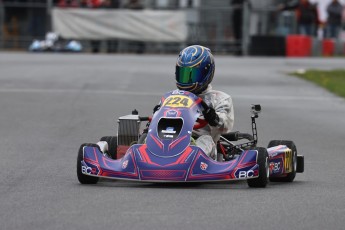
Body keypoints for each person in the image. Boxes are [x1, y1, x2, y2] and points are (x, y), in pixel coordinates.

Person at [159, 45, 235, 159]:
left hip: (200, 140)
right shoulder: (171, 97)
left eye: (191, 75)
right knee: (147, 137)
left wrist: (213, 117)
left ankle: (192, 160)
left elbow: (225, 127)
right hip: (170, 138)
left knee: (206, 140)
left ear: (206, 73)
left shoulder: (220, 98)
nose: (186, 80)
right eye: (183, 74)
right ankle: (143, 158)